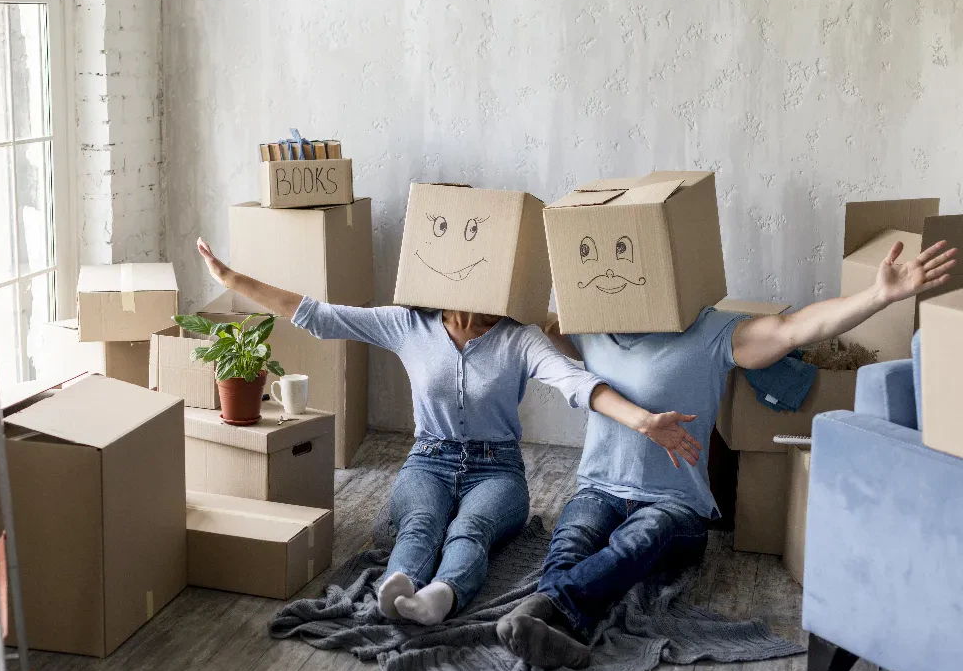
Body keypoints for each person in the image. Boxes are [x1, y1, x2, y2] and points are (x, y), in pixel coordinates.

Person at [498, 238, 959, 669]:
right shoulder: (591, 328)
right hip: (599, 488)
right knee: (571, 541)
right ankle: (558, 628)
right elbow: (528, 317)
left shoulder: (711, 332)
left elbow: (796, 328)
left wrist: (880, 295)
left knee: (640, 538)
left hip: (675, 506)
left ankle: (554, 610)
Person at [193, 237, 705, 625]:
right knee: (421, 522)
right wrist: (232, 278)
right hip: (428, 459)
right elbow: (319, 316)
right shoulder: (407, 325)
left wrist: (645, 421)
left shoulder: (518, 338)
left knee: (470, 528)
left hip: (498, 469)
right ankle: (400, 587)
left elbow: (574, 381)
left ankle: (441, 597)